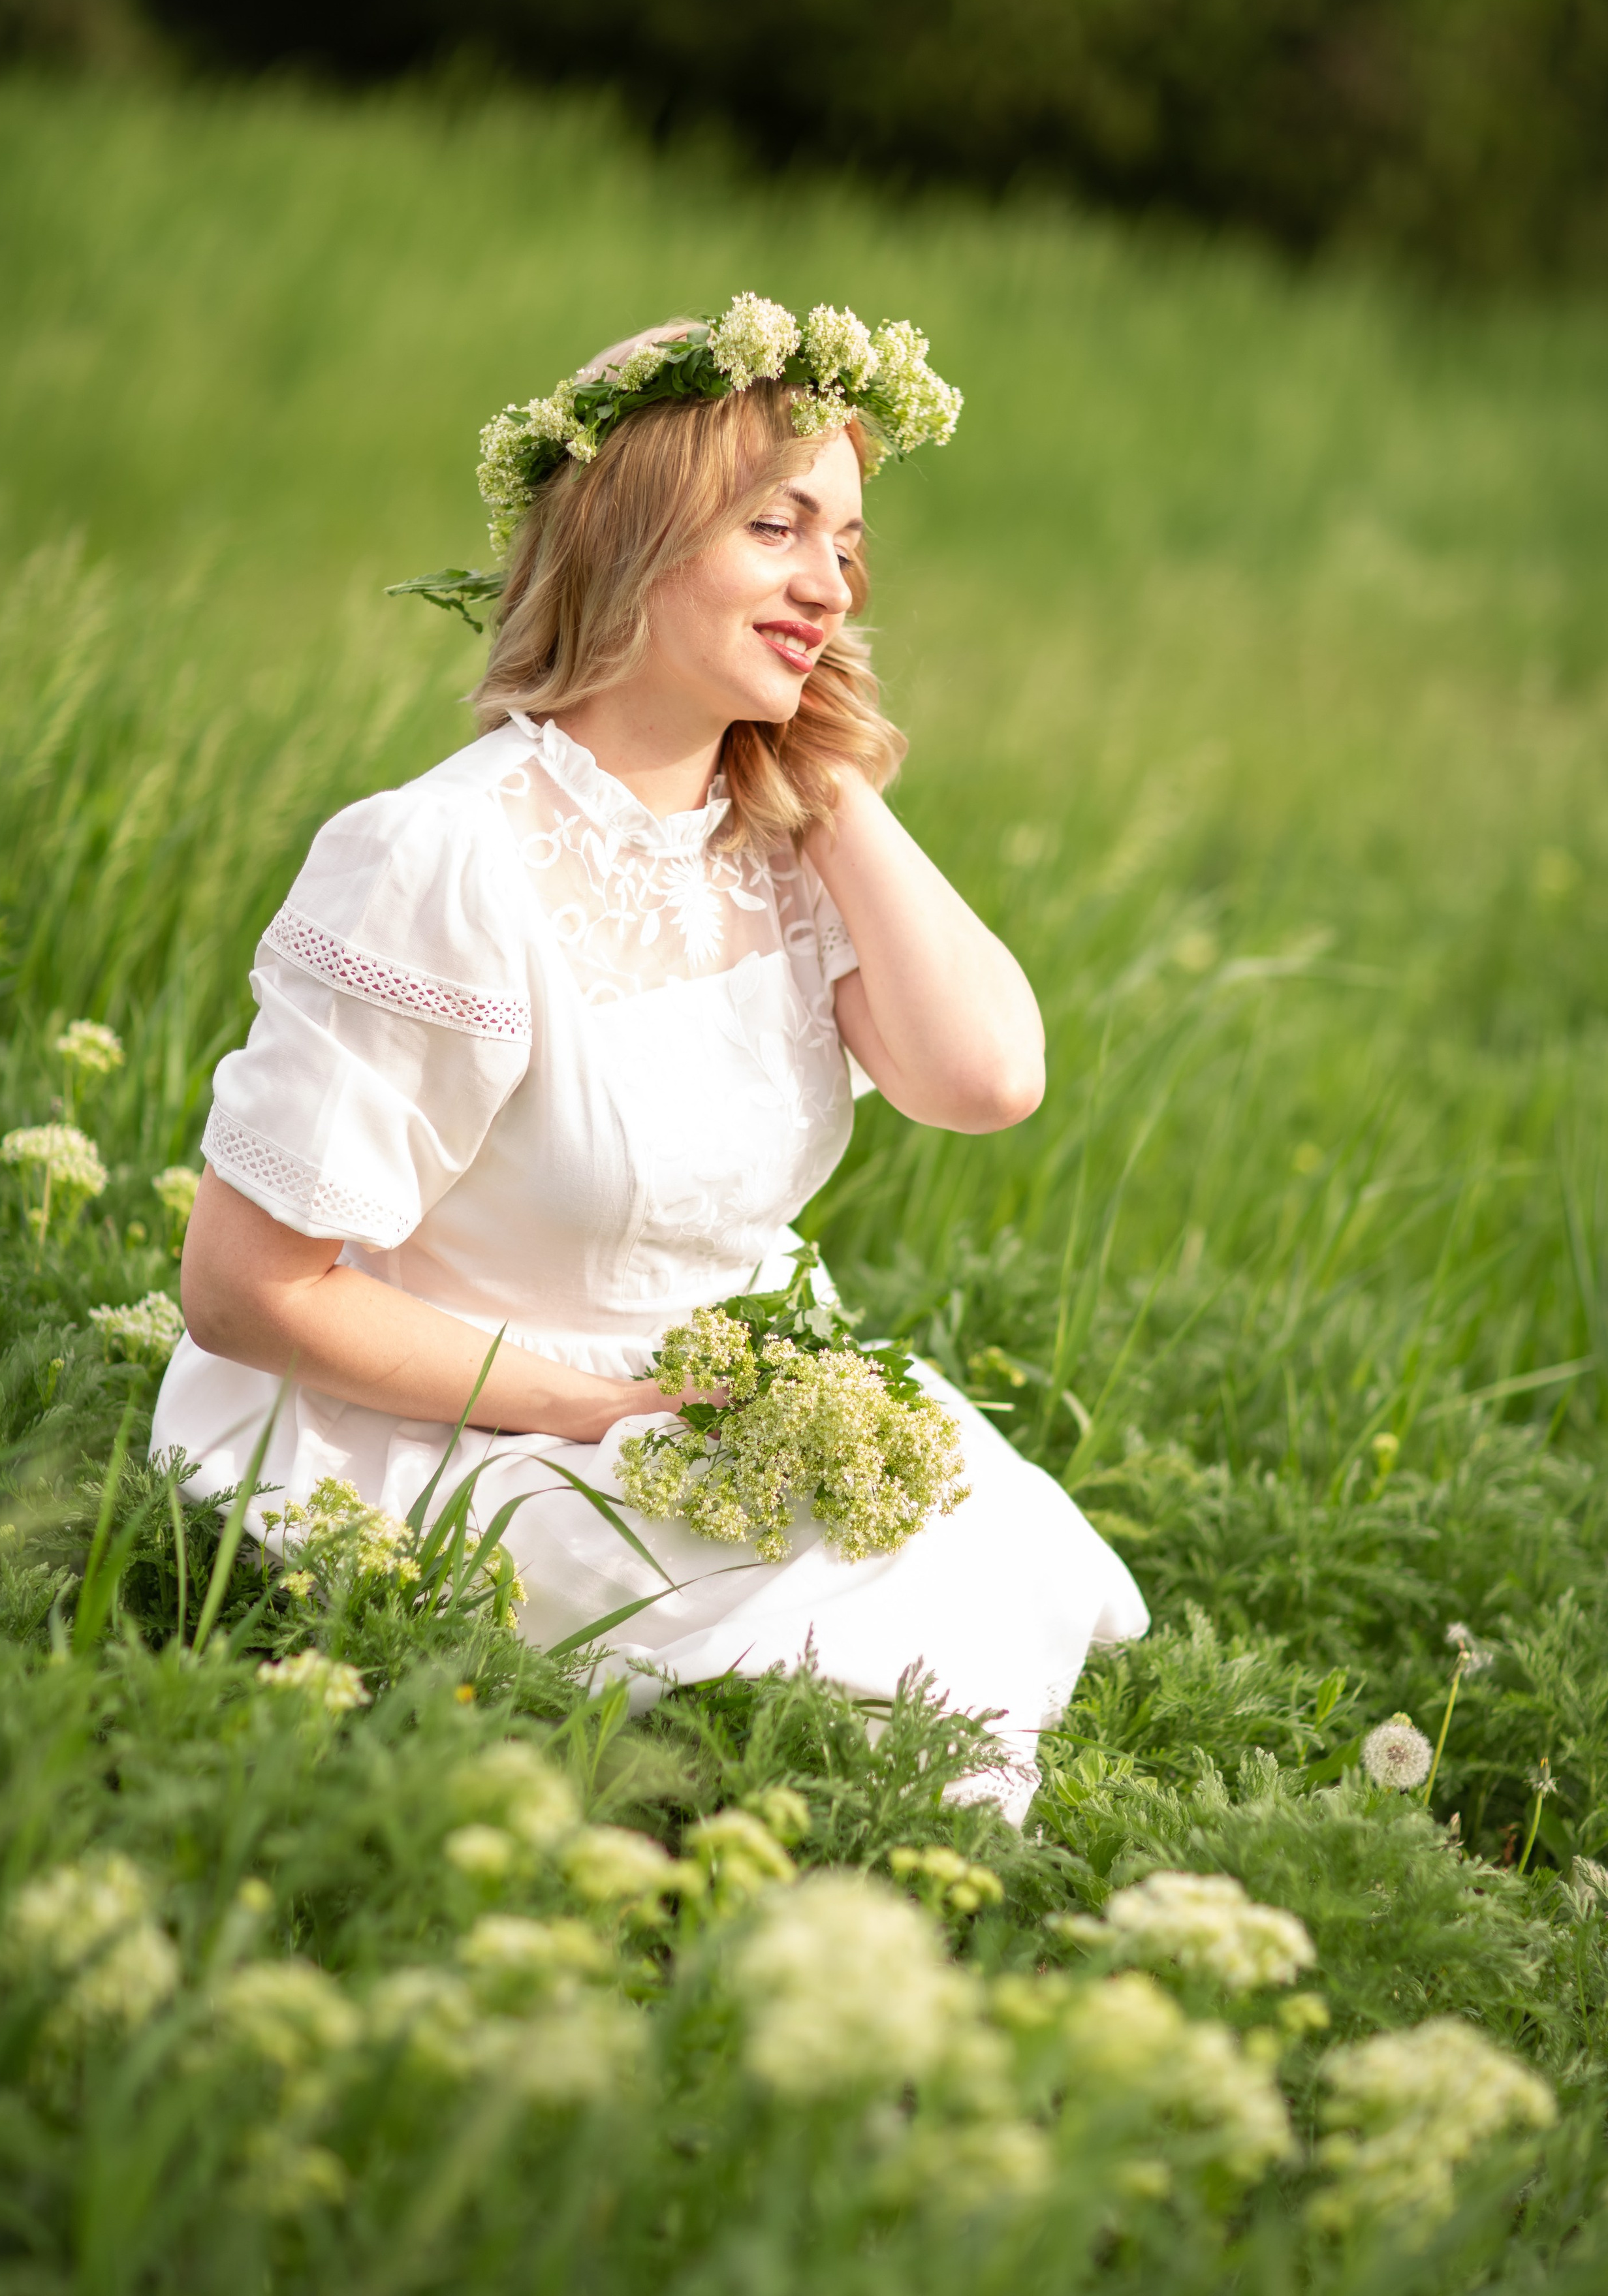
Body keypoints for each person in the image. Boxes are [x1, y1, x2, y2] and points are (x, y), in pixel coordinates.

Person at [152, 296, 1147, 1821]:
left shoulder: (775, 846)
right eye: (777, 527)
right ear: (633, 535)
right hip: (452, 1424)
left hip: (713, 1405)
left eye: (848, 544)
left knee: (985, 1547)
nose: (831, 584)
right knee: (888, 1635)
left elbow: (986, 1079)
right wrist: (583, 1410)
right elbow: (242, 1288)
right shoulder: (440, 858)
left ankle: (893, 1962)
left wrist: (826, 776)